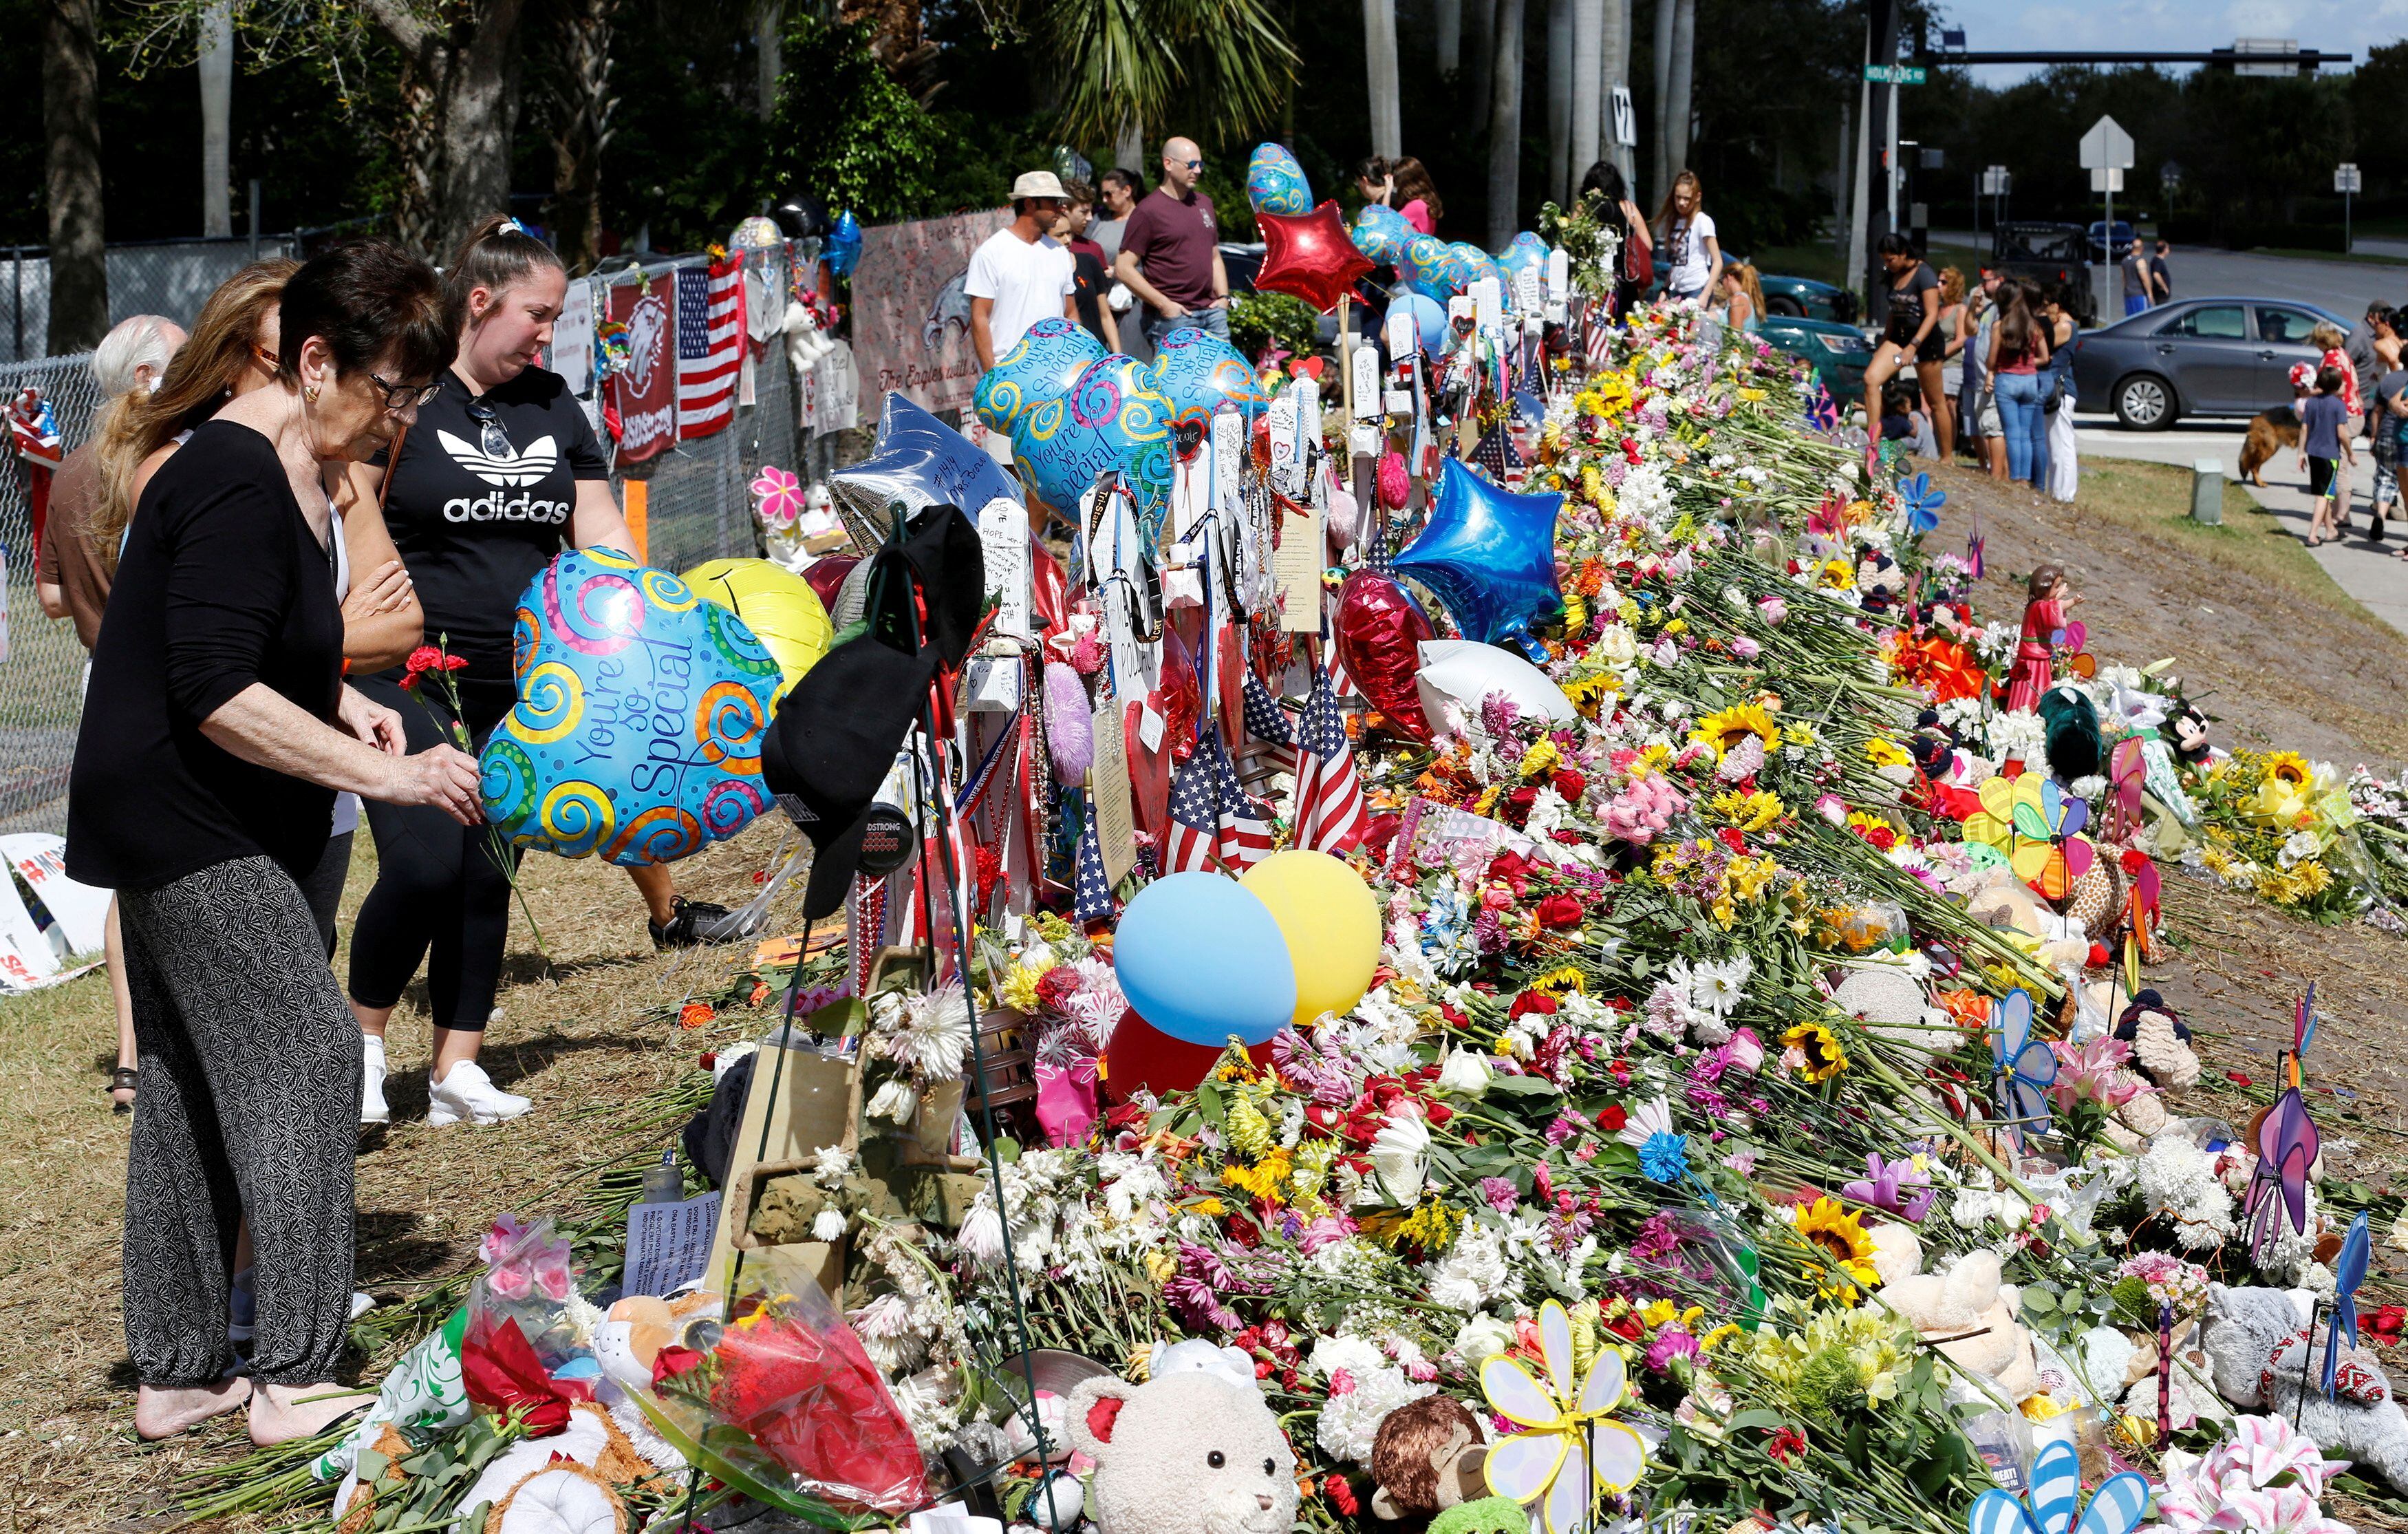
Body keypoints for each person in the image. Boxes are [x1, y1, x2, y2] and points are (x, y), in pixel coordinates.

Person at [67, 237, 480, 1446]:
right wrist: (386, 770)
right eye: (391, 390)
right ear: (313, 360)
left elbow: (252, 649)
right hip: (184, 817)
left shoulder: (296, 468)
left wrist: (337, 695)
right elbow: (210, 690)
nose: (401, 416)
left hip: (181, 814)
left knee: (192, 1085)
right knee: (307, 1049)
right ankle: (293, 1372)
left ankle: (181, 1370)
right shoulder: (240, 477)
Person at [342, 215, 735, 1131]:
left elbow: (600, 538)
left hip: (528, 688)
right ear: (479, 301)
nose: (549, 334)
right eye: (538, 314)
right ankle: (357, 1050)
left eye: (556, 318)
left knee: (488, 866)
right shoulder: (405, 402)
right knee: (428, 858)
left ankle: (456, 1069)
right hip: (407, 680)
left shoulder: (555, 405)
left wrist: (640, 630)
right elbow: (345, 513)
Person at [34, 315, 183, 1113]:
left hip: (106, 683)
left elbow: (53, 598)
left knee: (132, 883)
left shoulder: (72, 472)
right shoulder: (166, 465)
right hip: (173, 681)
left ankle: (131, 1057)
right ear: (145, 378)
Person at [1115, 137, 1232, 348]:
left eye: (1201, 164)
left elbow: (1214, 256)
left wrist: (1224, 299)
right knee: (1177, 381)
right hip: (1174, 319)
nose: (1197, 171)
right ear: (1168, 164)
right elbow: (1123, 268)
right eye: (1191, 165)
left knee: (1222, 377)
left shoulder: (1204, 203)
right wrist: (1165, 305)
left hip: (1213, 314)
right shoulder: (1148, 211)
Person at [966, 171, 1077, 372]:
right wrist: (992, 374)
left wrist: (1076, 359)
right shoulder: (991, 253)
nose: (1060, 208)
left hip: (1058, 370)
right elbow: (979, 317)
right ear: (1030, 203)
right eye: (1053, 201)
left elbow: (1071, 312)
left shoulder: (1060, 253)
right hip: (1009, 371)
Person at [1861, 233, 1939, 467]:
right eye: (1885, 260)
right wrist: (1884, 341)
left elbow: (1932, 313)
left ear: (1904, 254)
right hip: (1898, 337)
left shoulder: (1924, 274)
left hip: (1925, 340)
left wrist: (1913, 346)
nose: (1888, 264)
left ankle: (1946, 455)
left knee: (1936, 402)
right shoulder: (1893, 275)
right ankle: (1873, 440)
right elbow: (1894, 312)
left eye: (1891, 259)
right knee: (1870, 379)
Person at [1988, 280, 2052, 489]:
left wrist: (1996, 367)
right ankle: (2025, 479)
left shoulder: (2001, 326)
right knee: (2025, 433)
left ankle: (2016, 478)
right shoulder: (2033, 325)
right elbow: (2045, 356)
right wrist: (2029, 362)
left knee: (2012, 433)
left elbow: (1991, 359)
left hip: (2007, 379)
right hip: (2030, 380)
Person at [1575, 160, 1651, 321]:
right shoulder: (1628, 208)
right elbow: (1648, 245)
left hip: (1591, 284)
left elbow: (1572, 242)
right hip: (1624, 285)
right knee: (1621, 335)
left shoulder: (1584, 209)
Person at [1053, 179, 1121, 353]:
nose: (1090, 218)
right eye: (1084, 212)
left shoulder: (1092, 251)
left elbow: (1104, 312)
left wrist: (1117, 354)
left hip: (1095, 348)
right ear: (1064, 210)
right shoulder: (1045, 252)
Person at [2006, 564, 2075, 714]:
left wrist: (2057, 596)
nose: (2060, 589)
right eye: (2057, 587)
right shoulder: (2038, 607)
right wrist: (2073, 601)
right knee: (2032, 685)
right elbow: (2053, 611)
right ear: (2044, 589)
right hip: (2034, 656)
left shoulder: (2037, 605)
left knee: (2038, 684)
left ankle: (2031, 710)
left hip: (2037, 654)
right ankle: (2027, 712)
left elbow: (2051, 606)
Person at [1962, 266, 2007, 478]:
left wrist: (1992, 371)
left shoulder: (2003, 310)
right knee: (1985, 427)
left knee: (1994, 428)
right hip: (1980, 380)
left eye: (1986, 280)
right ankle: (1994, 472)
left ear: (2000, 281)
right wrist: (1973, 307)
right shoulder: (1989, 309)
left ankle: (1998, 476)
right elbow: (1970, 330)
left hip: (1993, 379)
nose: (1982, 285)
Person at [2303, 364, 2354, 546]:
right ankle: (2313, 534)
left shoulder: (2311, 403)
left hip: (2313, 453)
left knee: (2322, 493)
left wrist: (2301, 453)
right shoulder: (2338, 405)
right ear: (2337, 385)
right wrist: (2350, 453)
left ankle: (2331, 531)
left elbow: (2305, 429)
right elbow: (2342, 434)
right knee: (2323, 496)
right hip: (2330, 456)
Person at [1654, 169, 1721, 302]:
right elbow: (1677, 262)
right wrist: (1665, 289)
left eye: (1687, 198)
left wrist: (1705, 294)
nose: (1681, 203)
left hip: (1697, 288)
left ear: (1697, 197)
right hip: (1677, 289)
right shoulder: (1673, 222)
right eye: (1678, 197)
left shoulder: (1703, 221)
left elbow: (1718, 261)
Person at [2039, 286, 2079, 502]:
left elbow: (2042, 343)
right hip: (2056, 389)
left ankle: (2065, 494)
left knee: (2063, 443)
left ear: (2057, 304)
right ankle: (2057, 492)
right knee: (2053, 444)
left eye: (2046, 305)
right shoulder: (2063, 324)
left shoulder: (2065, 326)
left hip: (2061, 391)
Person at [1933, 268, 1967, 462]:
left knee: (1948, 406)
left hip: (1952, 364)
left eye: (1944, 283)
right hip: (1935, 365)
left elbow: (1961, 339)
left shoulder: (1960, 310)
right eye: (1939, 281)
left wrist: (1941, 354)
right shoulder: (1937, 309)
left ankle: (1949, 450)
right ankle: (1938, 446)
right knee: (1935, 405)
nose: (1939, 286)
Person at [1090, 168, 1139, 264]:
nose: (1104, 200)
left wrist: (1116, 272)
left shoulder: (1143, 222)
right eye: (1102, 195)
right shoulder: (1099, 218)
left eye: (1108, 194)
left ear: (1127, 191)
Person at [1387, 156, 1443, 237]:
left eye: (1399, 185)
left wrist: (1388, 191)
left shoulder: (1416, 205)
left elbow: (1386, 226)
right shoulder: (1426, 202)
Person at [1717, 263, 1763, 333]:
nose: (1722, 284)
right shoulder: (1746, 299)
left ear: (1729, 278)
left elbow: (1735, 336)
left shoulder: (1737, 300)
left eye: (1722, 279)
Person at [2119, 237, 2156, 317]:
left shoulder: (2125, 260)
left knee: (2131, 319)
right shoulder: (2140, 261)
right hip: (2140, 294)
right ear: (2141, 248)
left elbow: (2123, 278)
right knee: (2143, 318)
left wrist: (2125, 289)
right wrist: (2150, 293)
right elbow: (2144, 278)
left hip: (2128, 294)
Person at [2151, 239, 2173, 304]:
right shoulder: (2158, 261)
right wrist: (2164, 287)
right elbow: (2156, 275)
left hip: (2160, 293)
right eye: (2168, 248)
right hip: (2161, 294)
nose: (2169, 250)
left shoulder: (2157, 260)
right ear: (2164, 250)